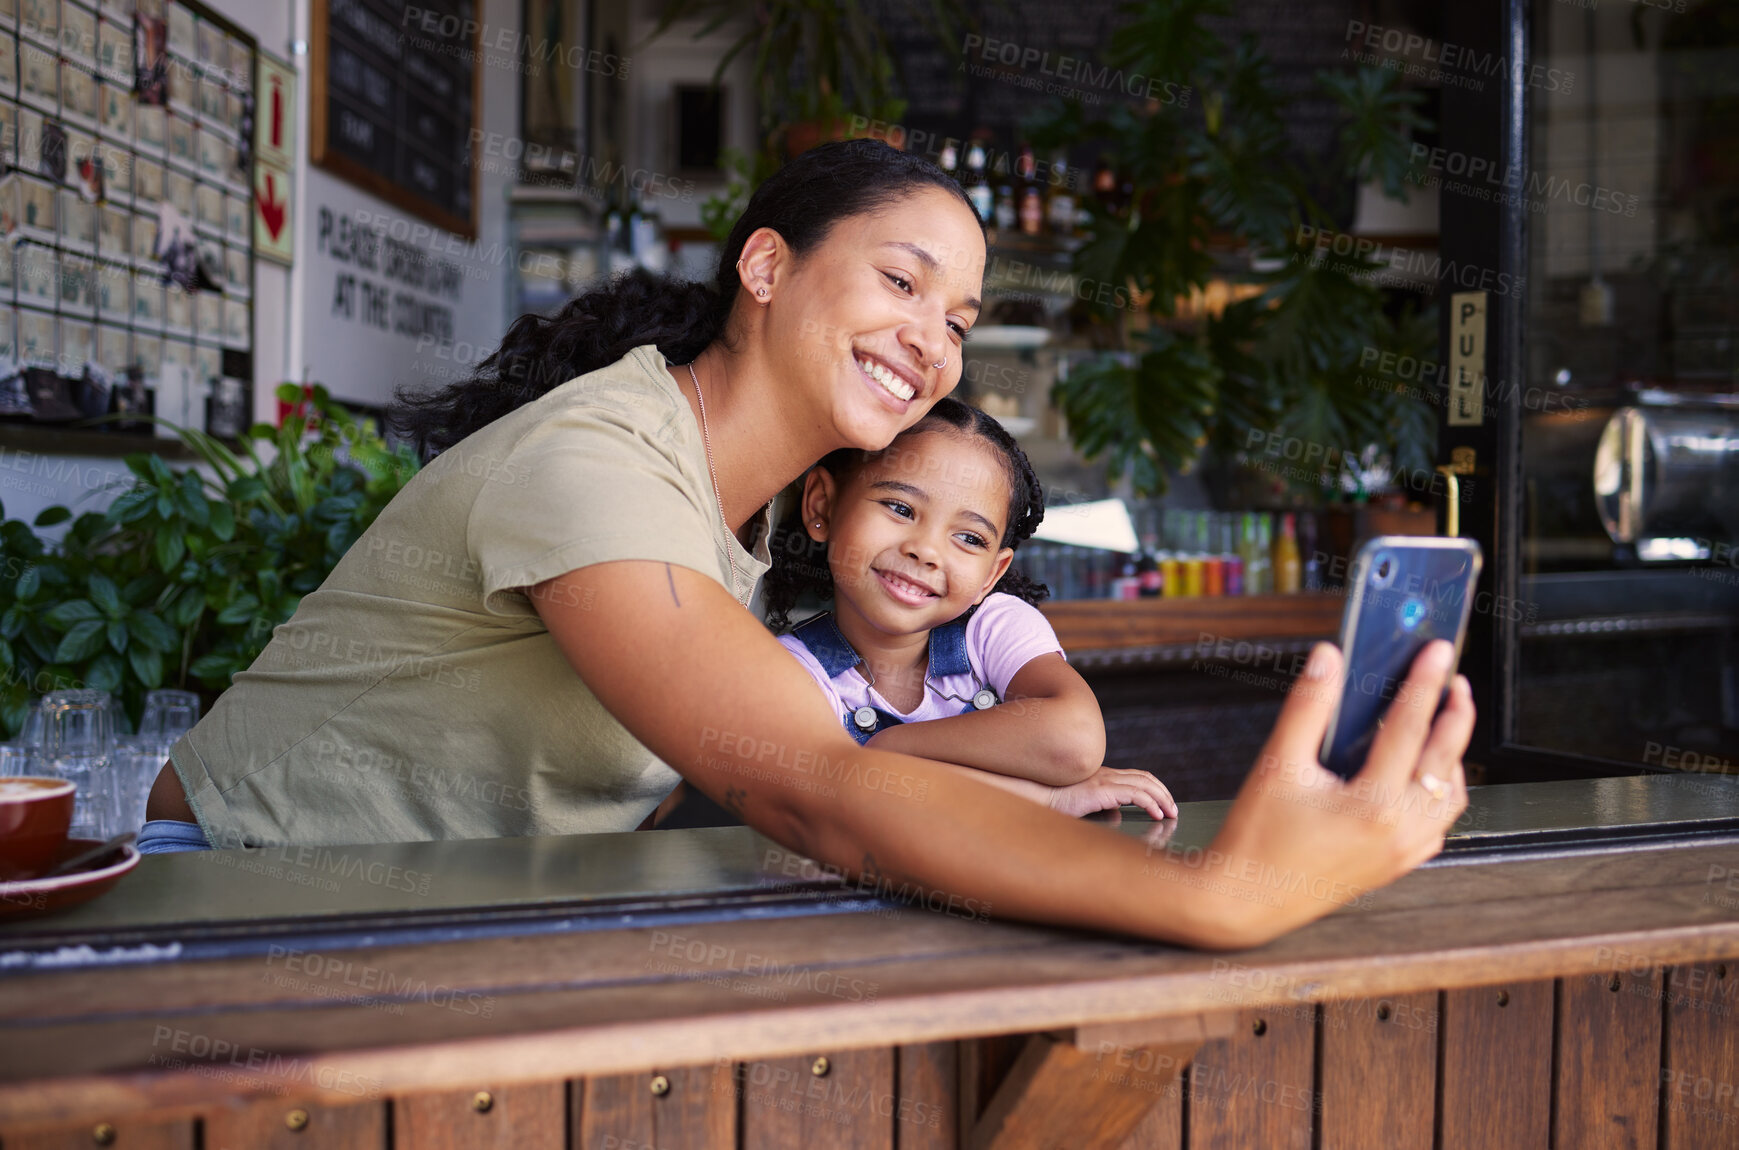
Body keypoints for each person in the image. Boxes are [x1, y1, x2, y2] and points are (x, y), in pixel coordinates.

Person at [144, 138, 1472, 949]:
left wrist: (981, 816)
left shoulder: (770, 516)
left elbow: (770, 767)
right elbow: (807, 782)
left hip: (436, 915)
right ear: (765, 266)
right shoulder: (597, 460)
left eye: (958, 317)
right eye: (899, 281)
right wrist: (1223, 894)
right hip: (227, 902)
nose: (930, 339)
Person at [764, 396, 1176, 819]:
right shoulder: (791, 672)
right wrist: (1046, 799)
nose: (926, 551)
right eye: (901, 508)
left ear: (991, 576)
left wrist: (889, 748)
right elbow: (844, 801)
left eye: (970, 538)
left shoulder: (994, 629)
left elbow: (1074, 739)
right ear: (821, 506)